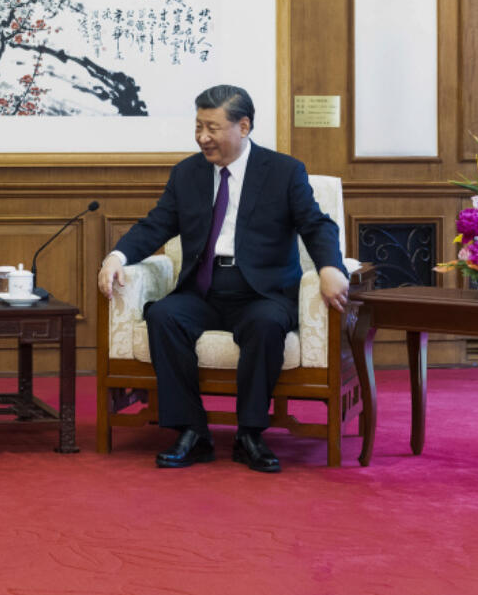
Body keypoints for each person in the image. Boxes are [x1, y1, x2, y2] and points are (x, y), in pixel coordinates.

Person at [97, 85, 348, 473]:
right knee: (163, 317)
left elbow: (316, 225)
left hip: (262, 292)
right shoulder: (187, 173)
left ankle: (250, 434)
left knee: (265, 325)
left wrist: (330, 267)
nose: (202, 137)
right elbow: (157, 224)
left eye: (212, 128)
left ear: (243, 126)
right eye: (198, 126)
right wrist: (116, 256)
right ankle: (193, 432)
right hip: (205, 289)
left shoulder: (284, 172)